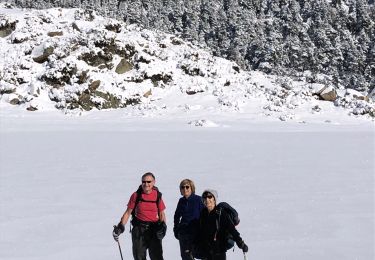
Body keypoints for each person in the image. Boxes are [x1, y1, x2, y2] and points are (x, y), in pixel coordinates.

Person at [113, 172, 167, 260]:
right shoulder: (136, 195)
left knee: (157, 257)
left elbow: (162, 213)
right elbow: (128, 212)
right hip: (139, 230)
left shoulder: (157, 195)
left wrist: (163, 227)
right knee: (139, 257)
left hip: (154, 230)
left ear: (154, 182)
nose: (146, 184)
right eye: (144, 182)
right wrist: (120, 227)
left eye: (149, 182)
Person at [195, 189, 248, 260]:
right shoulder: (203, 214)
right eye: (205, 197)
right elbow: (201, 231)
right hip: (206, 251)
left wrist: (240, 243)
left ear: (214, 199)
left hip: (219, 251)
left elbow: (232, 229)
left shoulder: (221, 213)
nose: (207, 199)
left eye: (210, 197)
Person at [174, 179, 205, 260]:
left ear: (192, 188)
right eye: (182, 187)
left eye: (187, 187)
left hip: (196, 232)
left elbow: (204, 215)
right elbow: (177, 216)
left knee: (201, 254)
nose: (185, 189)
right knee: (186, 256)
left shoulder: (199, 199)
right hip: (184, 233)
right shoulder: (181, 201)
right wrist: (176, 229)